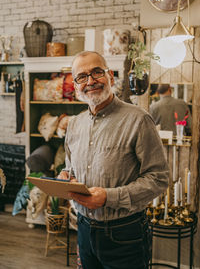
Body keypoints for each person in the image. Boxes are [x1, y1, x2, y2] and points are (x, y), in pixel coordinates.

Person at [58, 51, 169, 269]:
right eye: (82, 77)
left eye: (96, 72)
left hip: (125, 233)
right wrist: (65, 176)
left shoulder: (138, 119)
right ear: (75, 84)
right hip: (83, 227)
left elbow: (159, 178)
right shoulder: (74, 124)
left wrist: (109, 197)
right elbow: (70, 168)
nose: (90, 81)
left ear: (109, 75)